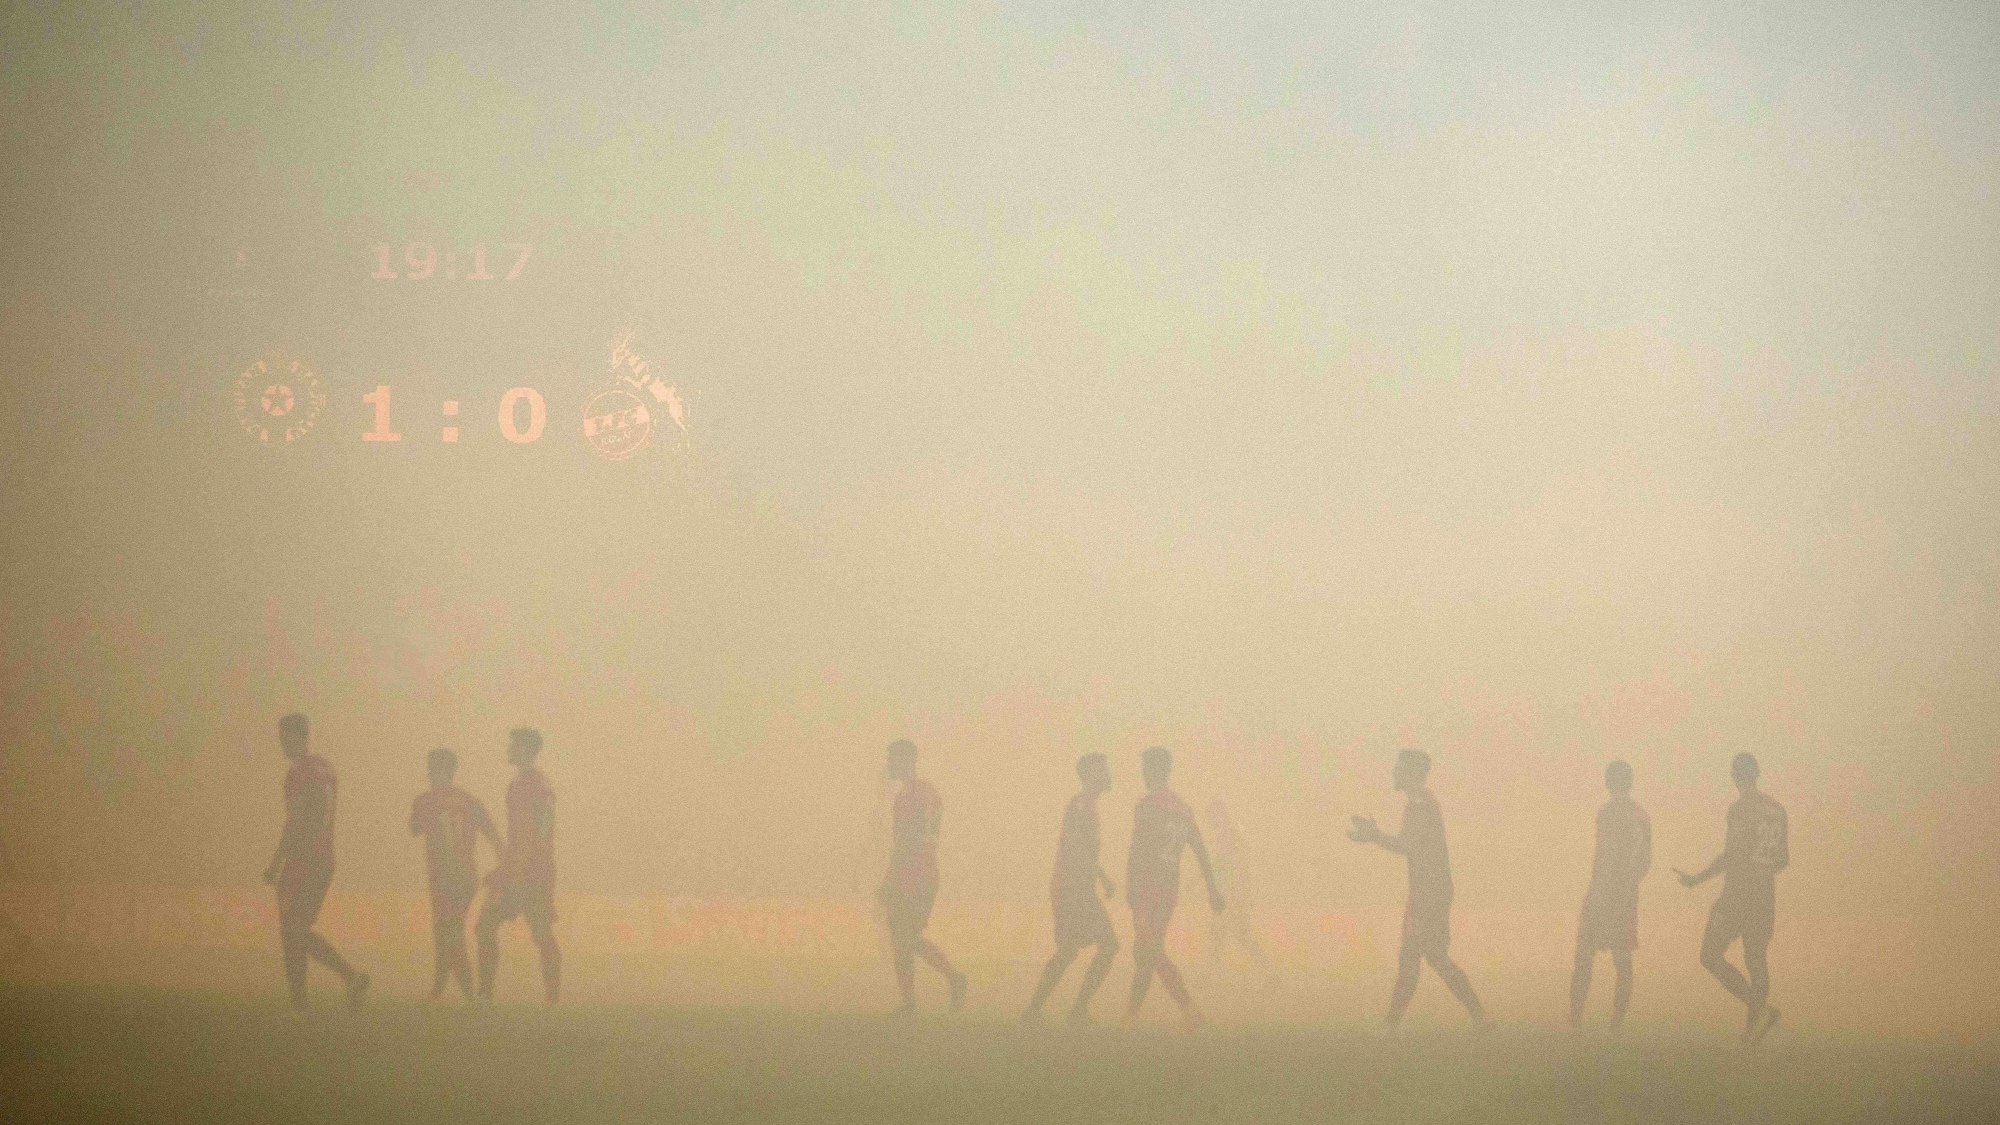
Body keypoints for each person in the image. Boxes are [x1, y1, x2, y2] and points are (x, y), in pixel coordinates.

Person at [1349, 748, 1486, 1031]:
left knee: (1413, 955)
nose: (1393, 772)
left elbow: (1407, 846)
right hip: (1431, 888)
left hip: (1429, 891)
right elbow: (1410, 845)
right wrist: (1376, 836)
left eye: (1397, 768)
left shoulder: (1421, 804)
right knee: (1434, 957)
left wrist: (1374, 836)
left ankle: (1391, 1025)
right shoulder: (1420, 803)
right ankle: (1480, 1016)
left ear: (1410, 773)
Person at [1676, 752, 1788, 1045]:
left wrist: (1697, 879)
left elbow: (1732, 856)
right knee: (1756, 958)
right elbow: (1783, 860)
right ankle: (1752, 1032)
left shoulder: (1740, 810)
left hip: (1738, 893)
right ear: (1758, 773)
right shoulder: (1777, 810)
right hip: (1765, 894)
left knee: (1710, 955)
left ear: (1734, 776)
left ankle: (1760, 1011)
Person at [261, 712, 369, 1011]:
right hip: (324, 859)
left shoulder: (300, 773)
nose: (282, 744)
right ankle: (349, 980)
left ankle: (303, 1002)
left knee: (292, 930)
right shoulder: (326, 769)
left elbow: (295, 822)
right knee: (299, 929)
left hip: (303, 860)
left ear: (298, 736)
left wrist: (276, 862)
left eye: (285, 738)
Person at [1124, 746, 1225, 1031]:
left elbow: (1138, 851)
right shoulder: (1183, 808)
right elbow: (1200, 850)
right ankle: (1133, 1014)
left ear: (1155, 770)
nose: (1143, 774)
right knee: (1145, 949)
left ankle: (1186, 1010)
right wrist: (1212, 890)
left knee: (1148, 949)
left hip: (1148, 886)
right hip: (1169, 889)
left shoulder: (1147, 806)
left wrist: (1131, 887)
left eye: (1146, 768)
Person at [1022, 752, 1120, 1025]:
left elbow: (1081, 849)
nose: (1108, 775)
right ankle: (1073, 1011)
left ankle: (1035, 1010)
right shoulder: (1081, 807)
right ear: (1089, 775)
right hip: (1073, 888)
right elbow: (1076, 848)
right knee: (1107, 946)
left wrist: (1100, 876)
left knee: (1070, 950)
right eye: (1103, 770)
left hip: (1076, 887)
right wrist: (1097, 879)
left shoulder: (1087, 806)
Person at [877, 739, 967, 1017]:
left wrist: (891, 878)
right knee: (903, 937)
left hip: (914, 875)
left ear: (906, 760)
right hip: (922, 873)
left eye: (892, 759)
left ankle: (953, 978)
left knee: (906, 936)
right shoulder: (924, 793)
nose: (888, 765)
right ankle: (910, 1002)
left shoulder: (911, 796)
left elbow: (909, 840)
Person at [475, 728, 560, 1005]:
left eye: (513, 744)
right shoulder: (516, 784)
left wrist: (532, 864)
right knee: (485, 925)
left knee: (541, 932)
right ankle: (485, 994)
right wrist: (508, 867)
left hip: (533, 873)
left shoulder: (538, 784)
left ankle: (552, 998)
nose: (508, 748)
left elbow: (545, 823)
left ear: (524, 749)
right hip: (514, 871)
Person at [409, 748, 501, 1003]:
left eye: (431, 767)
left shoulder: (426, 800)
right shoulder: (470, 801)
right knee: (444, 930)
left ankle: (470, 995)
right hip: (466, 876)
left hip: (446, 876)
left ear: (439, 770)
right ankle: (438, 989)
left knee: (449, 932)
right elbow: (493, 835)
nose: (428, 772)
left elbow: (414, 828)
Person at [1570, 759, 1652, 1031]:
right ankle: (1616, 1024)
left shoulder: (1608, 812)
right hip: (1627, 894)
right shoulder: (1642, 815)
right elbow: (1645, 862)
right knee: (1623, 959)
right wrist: (1630, 886)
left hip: (1605, 890)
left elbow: (1604, 855)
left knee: (1584, 954)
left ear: (1608, 783)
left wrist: (1598, 889)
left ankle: (1575, 1019)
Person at [1205, 799, 1275, 981]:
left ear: (1218, 815)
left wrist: (1201, 880)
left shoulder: (1228, 835)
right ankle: (1212, 974)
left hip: (1231, 894)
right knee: (1219, 933)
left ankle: (1269, 972)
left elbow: (1227, 865)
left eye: (1211, 816)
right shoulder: (1230, 834)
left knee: (1237, 934)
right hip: (1230, 893)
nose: (1210, 821)